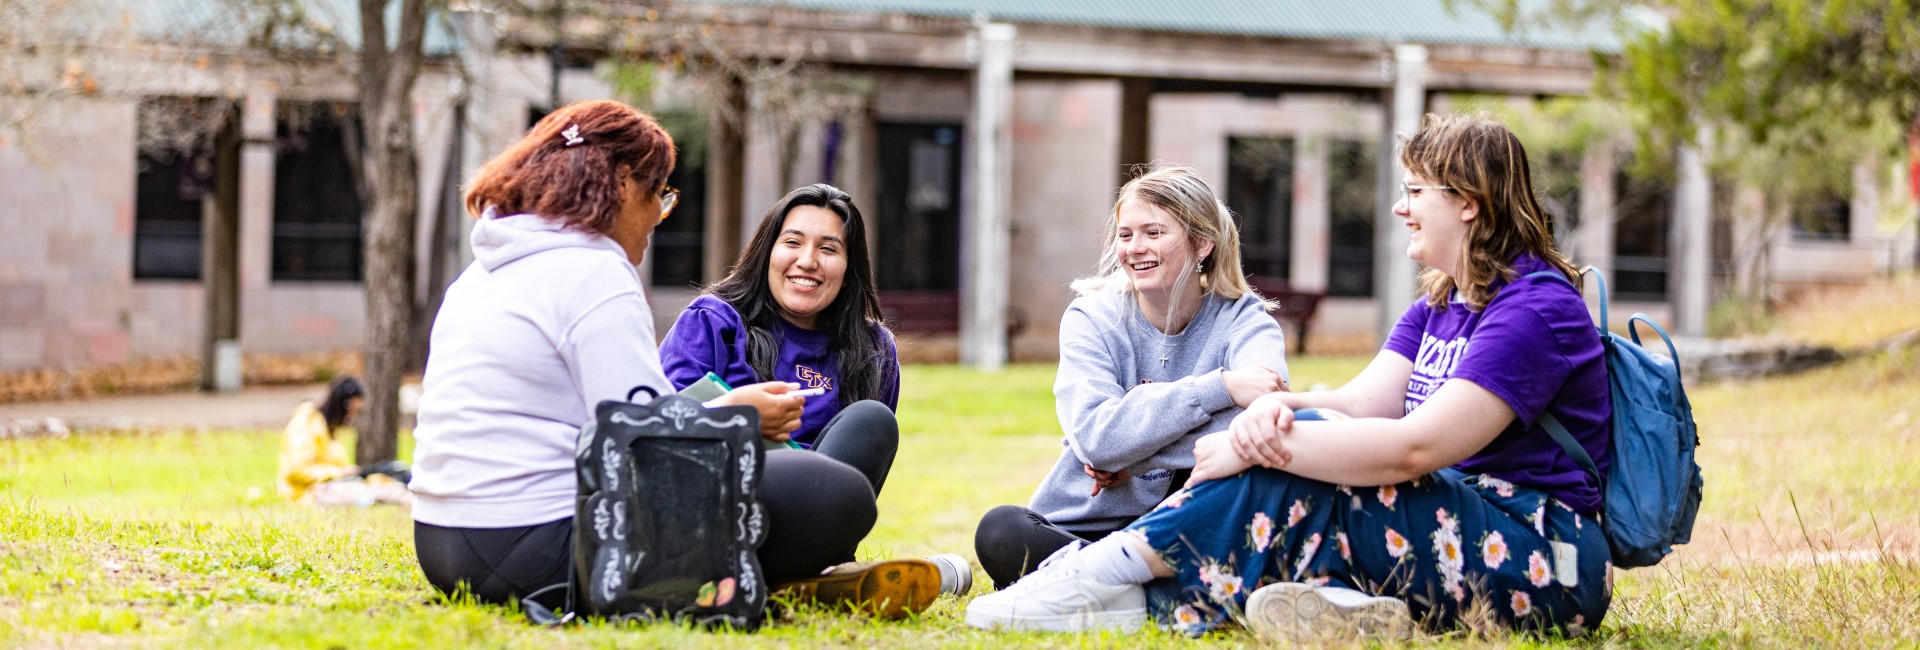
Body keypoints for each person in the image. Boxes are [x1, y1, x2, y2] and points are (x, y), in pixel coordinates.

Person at [966, 112, 1613, 643]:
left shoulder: (1534, 309)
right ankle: (1154, 603)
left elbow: (1414, 448)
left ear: (1467, 203)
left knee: (1292, 461)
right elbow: (1358, 404)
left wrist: (1256, 440)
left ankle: (1095, 574)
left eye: (1416, 191)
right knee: (1303, 443)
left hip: (1541, 554)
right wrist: (1273, 410)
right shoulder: (1441, 305)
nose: (1400, 207)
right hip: (1449, 522)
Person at [408, 100, 870, 615]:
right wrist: (741, 416)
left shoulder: (481, 273)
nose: (658, 216)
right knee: (836, 494)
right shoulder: (595, 272)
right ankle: (759, 579)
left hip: (442, 544)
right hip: (542, 549)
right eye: (659, 194)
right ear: (624, 184)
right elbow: (647, 446)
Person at [971, 166, 1289, 591]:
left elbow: (1266, 421)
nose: (1135, 248)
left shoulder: (1245, 320)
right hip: (1086, 530)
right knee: (1001, 531)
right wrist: (1222, 387)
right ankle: (1153, 590)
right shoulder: (1091, 317)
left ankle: (1104, 590)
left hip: (1187, 523)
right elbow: (1096, 438)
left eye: (1153, 233)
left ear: (1202, 243)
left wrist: (1135, 457)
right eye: (1125, 235)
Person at [658, 183, 969, 613]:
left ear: (849, 266)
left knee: (871, 422)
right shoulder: (712, 321)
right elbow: (659, 432)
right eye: (792, 242)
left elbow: (860, 465)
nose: (807, 261)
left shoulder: (873, 350)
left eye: (828, 248)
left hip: (813, 521)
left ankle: (798, 576)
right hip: (715, 519)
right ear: (767, 250)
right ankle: (805, 580)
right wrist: (739, 417)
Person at [276, 376, 411, 506]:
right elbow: (296, 470)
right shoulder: (307, 422)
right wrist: (338, 473)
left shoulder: (329, 429)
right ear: (344, 404)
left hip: (331, 487)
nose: (353, 417)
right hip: (309, 494)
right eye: (353, 410)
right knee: (376, 494)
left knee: (383, 484)